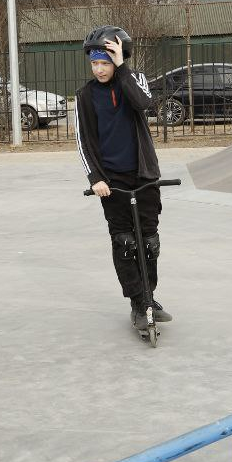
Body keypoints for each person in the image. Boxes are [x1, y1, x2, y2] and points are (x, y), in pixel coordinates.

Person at [75, 25, 171, 330]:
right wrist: (95, 178)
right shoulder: (85, 96)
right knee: (125, 241)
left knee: (149, 240)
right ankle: (137, 302)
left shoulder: (134, 79)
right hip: (111, 180)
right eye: (95, 63)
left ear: (119, 57)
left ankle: (148, 296)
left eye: (105, 61)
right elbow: (84, 141)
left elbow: (144, 104)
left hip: (144, 174)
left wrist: (122, 67)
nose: (100, 69)